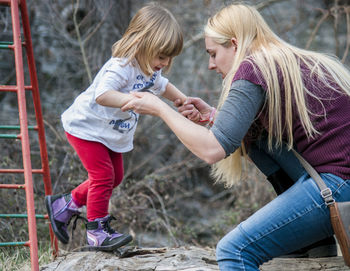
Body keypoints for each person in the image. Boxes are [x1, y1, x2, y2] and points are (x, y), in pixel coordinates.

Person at [121, 3, 350, 270]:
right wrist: (216, 117)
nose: (210, 65)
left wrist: (159, 107)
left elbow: (212, 150)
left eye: (213, 54)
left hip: (338, 185)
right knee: (256, 139)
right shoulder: (285, 61)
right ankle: (315, 243)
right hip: (337, 181)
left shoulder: (253, 68)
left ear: (234, 44)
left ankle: (314, 237)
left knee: (234, 251)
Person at [45, 3, 197, 252]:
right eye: (162, 56)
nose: (166, 62)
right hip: (86, 127)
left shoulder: (149, 68)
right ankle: (96, 231)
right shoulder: (122, 66)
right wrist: (133, 101)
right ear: (142, 43)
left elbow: (162, 85)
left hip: (109, 132)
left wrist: (182, 100)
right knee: (103, 176)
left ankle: (63, 206)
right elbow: (103, 94)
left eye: (170, 57)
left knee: (115, 177)